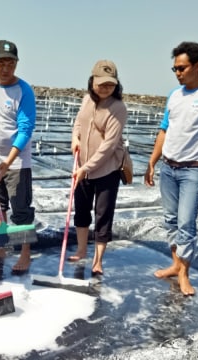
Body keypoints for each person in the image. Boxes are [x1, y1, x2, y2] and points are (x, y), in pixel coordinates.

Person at [144, 41, 198, 296]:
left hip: (193, 169)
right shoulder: (174, 95)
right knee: (170, 220)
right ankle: (175, 264)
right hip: (168, 167)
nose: (178, 73)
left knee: (186, 222)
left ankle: (184, 273)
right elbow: (164, 130)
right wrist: (152, 161)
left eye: (181, 68)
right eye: (174, 69)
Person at [0, 40, 36, 273]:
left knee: (20, 209)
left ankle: (25, 254)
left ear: (16, 64)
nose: (6, 67)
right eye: (1, 61)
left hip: (16, 162)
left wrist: (7, 162)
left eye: (11, 62)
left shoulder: (24, 90)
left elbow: (25, 129)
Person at [67, 59, 127, 277]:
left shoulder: (118, 108)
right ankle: (82, 250)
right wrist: (75, 138)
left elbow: (109, 146)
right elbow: (78, 123)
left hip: (106, 170)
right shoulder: (86, 100)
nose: (105, 87)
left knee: (103, 215)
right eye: (101, 83)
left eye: (110, 84)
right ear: (92, 81)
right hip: (82, 166)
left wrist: (87, 168)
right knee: (81, 211)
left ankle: (98, 260)